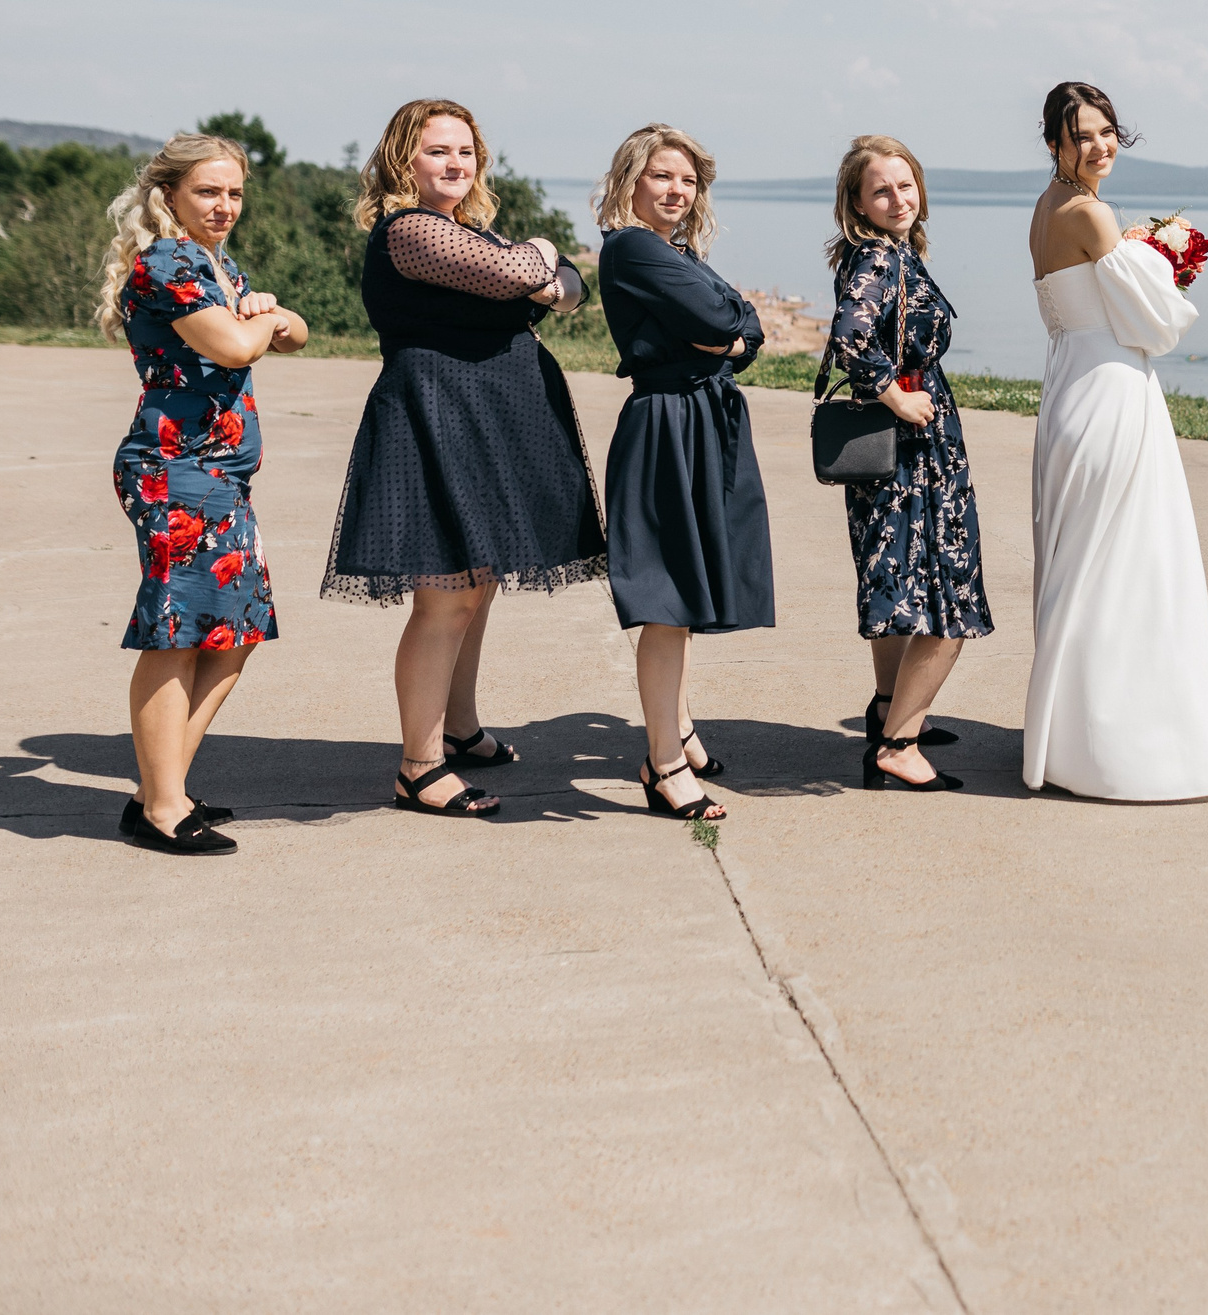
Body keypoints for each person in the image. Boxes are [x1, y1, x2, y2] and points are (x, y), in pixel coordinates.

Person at [322, 98, 601, 820]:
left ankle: (459, 725)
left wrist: (537, 265)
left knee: (478, 585)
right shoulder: (411, 231)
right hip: (435, 420)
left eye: (466, 152)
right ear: (402, 161)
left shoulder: (469, 231)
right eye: (437, 150)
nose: (455, 163)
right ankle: (419, 765)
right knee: (446, 595)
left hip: (484, 423)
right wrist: (536, 255)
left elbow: (572, 286)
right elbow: (528, 275)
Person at [99, 134, 311, 854]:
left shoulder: (216, 263)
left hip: (221, 476)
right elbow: (236, 347)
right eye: (208, 192)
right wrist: (262, 320)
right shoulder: (168, 261)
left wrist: (268, 316)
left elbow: (295, 334)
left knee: (234, 634)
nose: (225, 206)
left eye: (235, 193)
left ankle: (158, 789)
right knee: (178, 637)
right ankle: (162, 807)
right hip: (175, 471)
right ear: (169, 196)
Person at [1022, 82, 1208, 801]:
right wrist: (1167, 271)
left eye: (1107, 132)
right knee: (1129, 566)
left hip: (1068, 386)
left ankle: (1067, 742)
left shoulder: (1046, 209)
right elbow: (1157, 325)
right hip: (1112, 392)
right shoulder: (1089, 211)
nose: (1100, 146)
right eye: (1082, 135)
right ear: (1054, 142)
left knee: (1085, 566)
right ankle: (1118, 750)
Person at [596, 123, 775, 825]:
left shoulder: (678, 249)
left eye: (689, 180)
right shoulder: (633, 245)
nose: (677, 190)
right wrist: (728, 328)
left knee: (688, 596)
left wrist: (732, 332)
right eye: (663, 176)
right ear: (631, 182)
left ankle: (678, 734)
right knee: (666, 604)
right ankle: (663, 763)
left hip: (703, 418)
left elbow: (747, 327)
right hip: (667, 423)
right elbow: (717, 315)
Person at [826, 134, 993, 791]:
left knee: (894, 587)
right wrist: (893, 391)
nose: (898, 198)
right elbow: (848, 334)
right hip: (912, 453)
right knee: (944, 599)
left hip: (901, 450)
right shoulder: (877, 257)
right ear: (858, 203)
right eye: (881, 190)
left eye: (905, 184)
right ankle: (900, 740)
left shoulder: (889, 252)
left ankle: (887, 709)